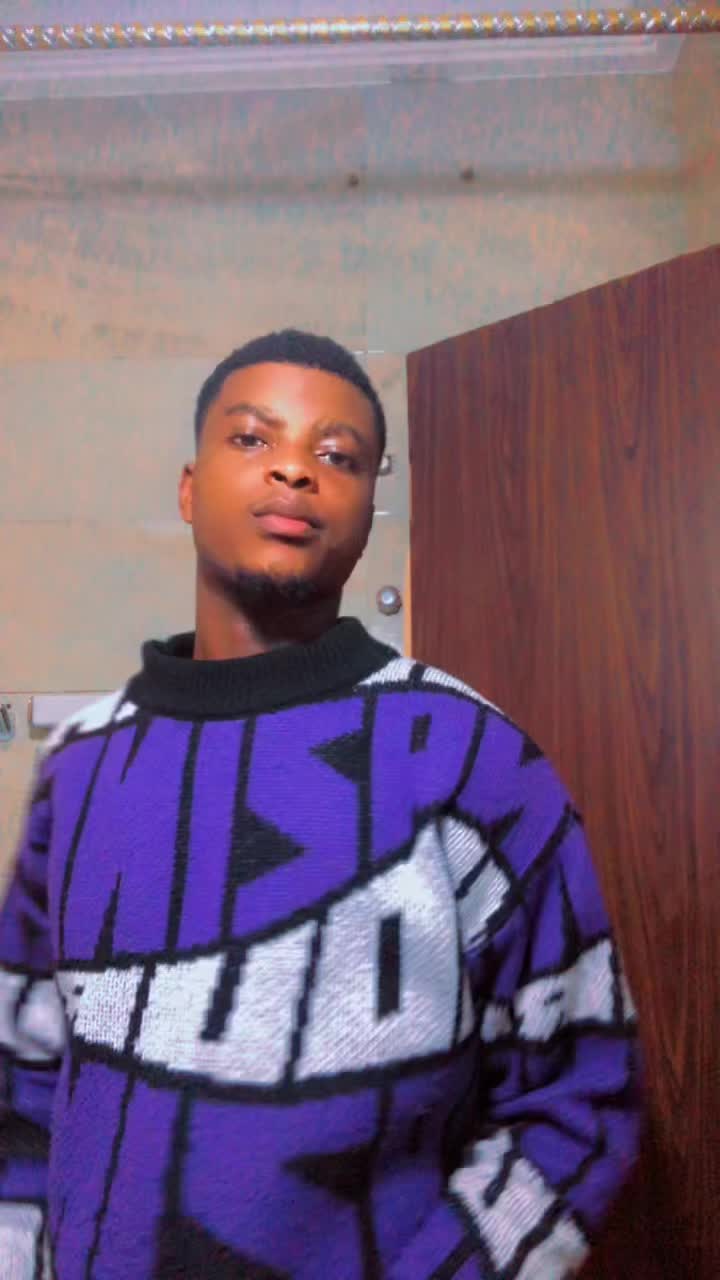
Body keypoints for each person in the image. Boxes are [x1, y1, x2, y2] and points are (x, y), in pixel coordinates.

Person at [0, 329, 641, 1279]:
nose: (295, 469)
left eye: (337, 455)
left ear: (370, 514)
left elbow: (579, 1100)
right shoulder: (82, 764)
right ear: (189, 488)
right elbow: (23, 1086)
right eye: (253, 438)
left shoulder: (470, 755)